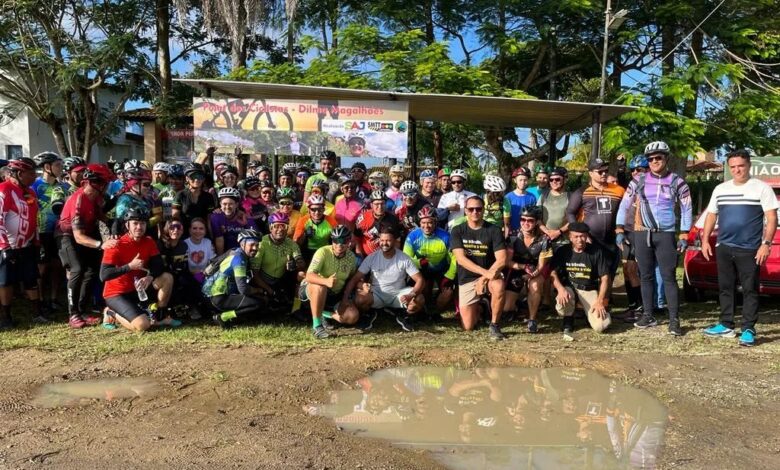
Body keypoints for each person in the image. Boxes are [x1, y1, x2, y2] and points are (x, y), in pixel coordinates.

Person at [702, 149, 778, 347]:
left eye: (741, 166)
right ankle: (726, 324)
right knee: (725, 287)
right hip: (724, 247)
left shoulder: (761, 188)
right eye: (733, 166)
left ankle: (748, 329)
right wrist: (704, 240)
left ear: (749, 166)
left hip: (750, 248)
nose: (737, 170)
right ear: (729, 167)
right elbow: (711, 214)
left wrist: (766, 244)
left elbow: (771, 218)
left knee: (750, 289)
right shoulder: (720, 189)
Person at [615, 141, 692, 336]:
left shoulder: (677, 182)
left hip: (665, 234)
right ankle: (648, 314)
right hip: (642, 233)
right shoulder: (638, 180)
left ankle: (674, 320)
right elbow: (625, 205)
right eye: (650, 159)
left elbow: (686, 208)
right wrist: (619, 229)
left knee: (669, 277)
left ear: (666, 158)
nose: (654, 161)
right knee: (646, 275)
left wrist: (684, 233)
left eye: (658, 157)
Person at [56, 164, 116, 329]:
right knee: (77, 269)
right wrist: (101, 244)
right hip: (67, 235)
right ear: (97, 183)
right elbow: (79, 237)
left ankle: (83, 309)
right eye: (106, 183)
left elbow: (102, 217)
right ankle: (73, 313)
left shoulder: (95, 198)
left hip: (86, 233)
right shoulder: (79, 199)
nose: (108, 186)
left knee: (92, 270)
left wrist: (118, 227)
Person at [99, 207, 175, 332]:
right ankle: (111, 313)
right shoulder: (115, 244)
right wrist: (129, 266)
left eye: (142, 223)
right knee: (142, 326)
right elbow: (104, 275)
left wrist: (149, 277)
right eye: (135, 223)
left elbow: (159, 265)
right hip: (116, 294)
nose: (139, 227)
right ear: (127, 225)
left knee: (167, 278)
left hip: (137, 289)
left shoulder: (149, 241)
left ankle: (160, 315)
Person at [342, 226, 425, 332]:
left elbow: (420, 280)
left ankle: (405, 315)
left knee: (419, 299)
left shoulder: (404, 258)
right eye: (382, 240)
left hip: (398, 295)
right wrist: (345, 298)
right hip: (377, 295)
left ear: (395, 241)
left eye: (388, 240)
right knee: (360, 298)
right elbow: (355, 279)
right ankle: (370, 314)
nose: (384, 243)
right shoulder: (372, 257)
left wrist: (411, 295)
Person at [566, 158, 625, 300]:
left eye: (605, 171)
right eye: (600, 172)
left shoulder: (618, 190)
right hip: (590, 238)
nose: (603, 174)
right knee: (590, 271)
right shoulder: (582, 191)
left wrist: (622, 231)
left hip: (612, 239)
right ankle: (585, 302)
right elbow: (570, 212)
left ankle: (605, 301)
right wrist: (580, 234)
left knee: (609, 271)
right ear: (591, 173)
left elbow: (627, 211)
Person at [450, 195, 507, 340]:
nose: (475, 212)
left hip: (490, 277)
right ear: (466, 211)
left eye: (478, 209)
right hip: (468, 277)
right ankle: (483, 307)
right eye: (471, 209)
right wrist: (485, 273)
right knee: (468, 327)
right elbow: (461, 259)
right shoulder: (457, 230)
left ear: (483, 210)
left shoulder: (494, 230)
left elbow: (502, 260)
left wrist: (484, 278)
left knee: (499, 286)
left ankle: (494, 325)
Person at [549, 222, 612, 341]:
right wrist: (560, 289)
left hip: (588, 289)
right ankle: (568, 320)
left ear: (587, 236)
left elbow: (605, 278)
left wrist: (600, 301)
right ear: (570, 237)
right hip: (569, 288)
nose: (580, 239)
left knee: (601, 326)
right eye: (576, 236)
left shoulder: (596, 251)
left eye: (583, 236)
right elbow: (552, 273)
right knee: (563, 302)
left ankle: (590, 315)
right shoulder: (563, 251)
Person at [0, 158, 42, 329]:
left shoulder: (30, 192)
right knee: (6, 282)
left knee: (31, 278)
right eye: (30, 173)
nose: (34, 177)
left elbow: (34, 219)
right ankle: (6, 316)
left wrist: (37, 240)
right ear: (18, 173)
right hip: (8, 246)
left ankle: (37, 313)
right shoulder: (4, 190)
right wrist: (4, 246)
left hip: (27, 244)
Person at [299, 225, 361, 338]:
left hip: (334, 295)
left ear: (349, 242)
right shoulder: (322, 252)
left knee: (352, 316)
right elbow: (308, 276)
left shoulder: (351, 257)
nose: (339, 244)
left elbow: (351, 279)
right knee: (320, 286)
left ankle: (325, 314)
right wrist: (326, 281)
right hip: (312, 292)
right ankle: (317, 326)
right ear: (332, 240)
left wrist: (345, 300)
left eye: (344, 241)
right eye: (336, 240)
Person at [203, 229, 265, 328]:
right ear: (242, 244)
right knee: (258, 303)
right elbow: (243, 289)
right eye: (252, 244)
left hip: (212, 296)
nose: (255, 248)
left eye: (257, 245)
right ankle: (222, 317)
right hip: (217, 299)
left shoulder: (235, 252)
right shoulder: (239, 259)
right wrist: (258, 290)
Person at [32, 152, 68, 318]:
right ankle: (39, 300)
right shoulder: (35, 186)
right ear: (47, 167)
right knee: (42, 267)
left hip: (58, 232)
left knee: (57, 265)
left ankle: (53, 298)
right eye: (58, 165)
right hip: (41, 231)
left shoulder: (63, 186)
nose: (61, 168)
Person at [504, 206, 552, 333]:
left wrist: (529, 275)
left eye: (530, 220)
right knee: (506, 307)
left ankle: (532, 319)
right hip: (517, 267)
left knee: (535, 285)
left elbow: (541, 266)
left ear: (537, 222)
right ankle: (520, 307)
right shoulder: (513, 236)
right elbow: (507, 262)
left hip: (536, 269)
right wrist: (522, 267)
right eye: (522, 219)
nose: (525, 223)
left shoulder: (544, 239)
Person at [402, 205, 456, 313]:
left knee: (447, 293)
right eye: (423, 223)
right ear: (419, 223)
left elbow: (455, 258)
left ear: (435, 222)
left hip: (441, 270)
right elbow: (405, 259)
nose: (426, 226)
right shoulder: (412, 236)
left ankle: (436, 313)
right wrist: (419, 262)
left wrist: (449, 276)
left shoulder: (445, 236)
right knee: (423, 290)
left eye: (430, 222)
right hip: (423, 269)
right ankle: (423, 311)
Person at [614, 156, 647, 321]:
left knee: (634, 270)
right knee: (626, 270)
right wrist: (621, 167)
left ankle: (642, 308)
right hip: (626, 231)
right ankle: (632, 306)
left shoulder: (650, 186)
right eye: (633, 170)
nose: (635, 173)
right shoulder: (631, 187)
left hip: (639, 232)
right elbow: (622, 183)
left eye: (639, 169)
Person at [157, 219, 200, 324]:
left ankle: (191, 307)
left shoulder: (183, 246)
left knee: (191, 282)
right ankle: (163, 311)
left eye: (178, 227)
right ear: (166, 229)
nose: (175, 230)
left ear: (182, 230)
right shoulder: (159, 245)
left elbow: (184, 267)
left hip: (177, 273)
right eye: (172, 227)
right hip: (160, 277)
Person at [355, 190, 401, 259]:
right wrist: (360, 255)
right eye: (376, 204)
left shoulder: (393, 219)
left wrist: (393, 257)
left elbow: (397, 241)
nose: (380, 207)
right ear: (371, 205)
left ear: (386, 204)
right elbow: (356, 238)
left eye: (382, 204)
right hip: (366, 257)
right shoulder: (363, 218)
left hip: (386, 257)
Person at [210, 187, 256, 255]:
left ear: (236, 204)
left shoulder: (245, 217)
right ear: (220, 204)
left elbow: (254, 238)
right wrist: (221, 259)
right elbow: (219, 240)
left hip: (243, 252)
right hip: (225, 253)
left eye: (231, 204)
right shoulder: (216, 217)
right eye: (224, 204)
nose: (227, 207)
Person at [173, 163, 216, 232]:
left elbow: (209, 220)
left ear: (203, 179)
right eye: (193, 176)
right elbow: (175, 217)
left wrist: (211, 238)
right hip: (184, 232)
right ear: (187, 178)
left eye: (200, 176)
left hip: (201, 233)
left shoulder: (208, 197)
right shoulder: (180, 195)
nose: (196, 179)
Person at [294, 194, 338, 260]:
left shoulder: (331, 221)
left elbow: (338, 239)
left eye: (320, 209)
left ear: (324, 209)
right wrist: (305, 235)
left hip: (325, 251)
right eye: (313, 209)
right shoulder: (303, 220)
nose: (317, 212)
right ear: (309, 210)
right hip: (307, 251)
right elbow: (296, 242)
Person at [537, 166, 570, 249]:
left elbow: (573, 220)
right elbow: (537, 217)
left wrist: (558, 232)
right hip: (544, 239)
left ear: (565, 179)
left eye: (557, 179)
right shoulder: (544, 196)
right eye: (551, 180)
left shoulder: (571, 197)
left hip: (564, 241)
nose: (554, 182)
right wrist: (547, 232)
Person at [504, 167, 537, 238]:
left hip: (527, 233)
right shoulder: (508, 197)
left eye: (525, 180)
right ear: (515, 180)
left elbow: (534, 217)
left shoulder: (532, 197)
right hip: (511, 233)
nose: (523, 182)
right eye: (520, 180)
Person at [183, 217, 215, 284]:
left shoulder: (208, 242)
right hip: (189, 278)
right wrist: (201, 277)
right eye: (194, 228)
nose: (198, 231)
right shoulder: (184, 244)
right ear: (189, 230)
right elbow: (187, 269)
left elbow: (212, 262)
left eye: (201, 229)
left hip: (206, 275)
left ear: (205, 231)